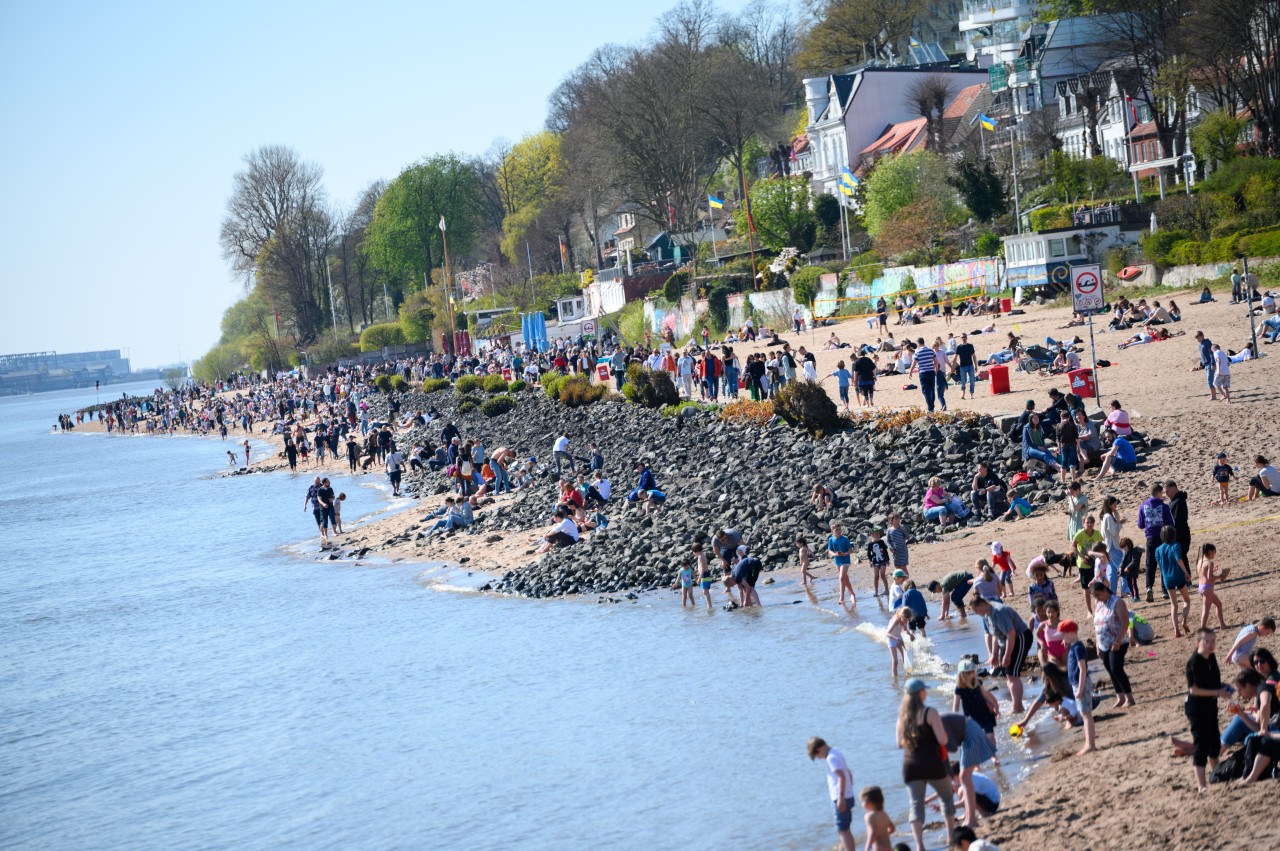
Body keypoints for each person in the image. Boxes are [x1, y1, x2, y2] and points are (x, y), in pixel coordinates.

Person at [898, 679, 956, 850]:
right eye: (925, 691)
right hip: (932, 763)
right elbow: (942, 740)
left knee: (915, 805)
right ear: (920, 694)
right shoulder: (929, 713)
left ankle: (919, 845)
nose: (926, 693)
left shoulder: (902, 717)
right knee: (946, 797)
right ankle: (951, 837)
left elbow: (899, 743)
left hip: (910, 766)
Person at [970, 595, 1032, 713]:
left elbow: (1011, 634)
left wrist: (1007, 655)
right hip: (1005, 640)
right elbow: (995, 635)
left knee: (1013, 674)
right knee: (1006, 674)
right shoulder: (986, 614)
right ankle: (1018, 706)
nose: (976, 613)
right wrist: (994, 654)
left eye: (976, 610)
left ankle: (1016, 708)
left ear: (982, 605)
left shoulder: (999, 611)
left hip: (1020, 637)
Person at [1186, 628, 1230, 792]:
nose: (1211, 645)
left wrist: (1227, 690)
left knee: (1214, 743)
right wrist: (1218, 692)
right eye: (1207, 642)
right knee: (1201, 745)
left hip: (1210, 705)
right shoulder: (1194, 661)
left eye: (1213, 641)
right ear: (1198, 643)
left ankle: (1217, 774)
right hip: (1196, 707)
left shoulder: (1211, 657)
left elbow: (1215, 683)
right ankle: (1201, 785)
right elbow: (1194, 690)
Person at [1091, 581, 1135, 709]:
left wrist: (1117, 642)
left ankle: (1129, 698)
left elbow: (1125, 623)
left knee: (1116, 668)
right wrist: (1097, 645)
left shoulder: (1118, 602)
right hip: (1103, 643)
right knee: (1110, 670)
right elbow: (1096, 625)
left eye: (1098, 595)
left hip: (1118, 641)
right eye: (1095, 596)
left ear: (1105, 591)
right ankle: (1120, 697)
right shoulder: (1099, 604)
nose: (1097, 598)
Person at [807, 737, 856, 851]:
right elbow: (847, 771)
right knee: (846, 828)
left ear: (820, 748)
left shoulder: (830, 758)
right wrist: (850, 786)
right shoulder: (836, 752)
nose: (819, 758)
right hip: (848, 795)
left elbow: (841, 777)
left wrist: (841, 797)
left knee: (842, 830)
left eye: (817, 755)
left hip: (841, 797)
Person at [1057, 619, 1097, 755]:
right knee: (1084, 713)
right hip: (1077, 684)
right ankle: (1089, 743)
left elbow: (1083, 669)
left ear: (1072, 633)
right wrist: (1067, 645)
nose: (1062, 638)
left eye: (1064, 635)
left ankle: (1090, 744)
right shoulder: (1074, 646)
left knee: (1086, 715)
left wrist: (1080, 689)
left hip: (1082, 684)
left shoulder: (1078, 647)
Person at [1137, 483, 1174, 602]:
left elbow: (1140, 524)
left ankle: (1149, 588)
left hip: (1150, 538)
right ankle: (1164, 590)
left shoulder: (1143, 506)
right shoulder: (1164, 507)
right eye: (1162, 493)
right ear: (1158, 493)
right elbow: (1171, 523)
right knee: (1164, 563)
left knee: (1150, 565)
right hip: (1163, 537)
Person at [952, 659, 999, 749]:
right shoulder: (959, 689)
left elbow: (985, 695)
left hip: (984, 714)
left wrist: (994, 705)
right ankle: (977, 758)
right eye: (968, 673)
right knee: (975, 740)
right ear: (962, 675)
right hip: (971, 718)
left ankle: (993, 755)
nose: (972, 675)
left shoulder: (977, 683)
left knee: (990, 736)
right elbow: (955, 707)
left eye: (972, 672)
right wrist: (955, 721)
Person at [1157, 525, 1193, 637]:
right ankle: (1184, 621)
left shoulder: (1158, 550)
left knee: (1174, 605)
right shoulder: (1176, 545)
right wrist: (1186, 573)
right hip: (1178, 576)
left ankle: (1176, 631)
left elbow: (1160, 565)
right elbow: (1178, 559)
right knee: (1186, 600)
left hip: (1167, 578)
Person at [1196, 543, 1230, 630]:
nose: (1214, 553)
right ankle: (1202, 629)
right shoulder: (1210, 563)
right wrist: (1220, 576)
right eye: (1214, 551)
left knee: (1219, 604)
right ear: (1210, 551)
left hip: (1201, 587)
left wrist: (1213, 570)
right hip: (1207, 588)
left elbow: (1202, 573)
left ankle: (1222, 625)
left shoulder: (1200, 561)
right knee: (1206, 610)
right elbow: (1210, 578)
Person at [860, 786, 896, 851]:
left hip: (878, 847)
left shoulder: (869, 816)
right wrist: (884, 834)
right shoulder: (884, 814)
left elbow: (871, 833)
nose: (861, 803)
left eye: (862, 801)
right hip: (888, 846)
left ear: (869, 802)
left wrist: (867, 848)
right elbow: (892, 828)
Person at [828, 522, 855, 604]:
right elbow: (830, 551)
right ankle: (852, 594)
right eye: (836, 530)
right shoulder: (831, 539)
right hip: (837, 561)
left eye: (840, 529)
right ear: (832, 531)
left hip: (845, 560)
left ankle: (841, 598)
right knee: (845, 579)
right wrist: (835, 554)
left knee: (841, 577)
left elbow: (851, 550)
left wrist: (845, 553)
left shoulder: (845, 539)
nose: (839, 531)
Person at [886, 607, 917, 676]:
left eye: (908, 620)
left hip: (898, 636)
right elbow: (887, 634)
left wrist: (910, 635)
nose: (906, 622)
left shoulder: (905, 620)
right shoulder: (896, 620)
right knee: (895, 661)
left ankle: (908, 674)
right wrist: (897, 640)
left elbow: (905, 630)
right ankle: (895, 679)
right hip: (891, 638)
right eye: (906, 620)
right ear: (902, 616)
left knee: (905, 658)